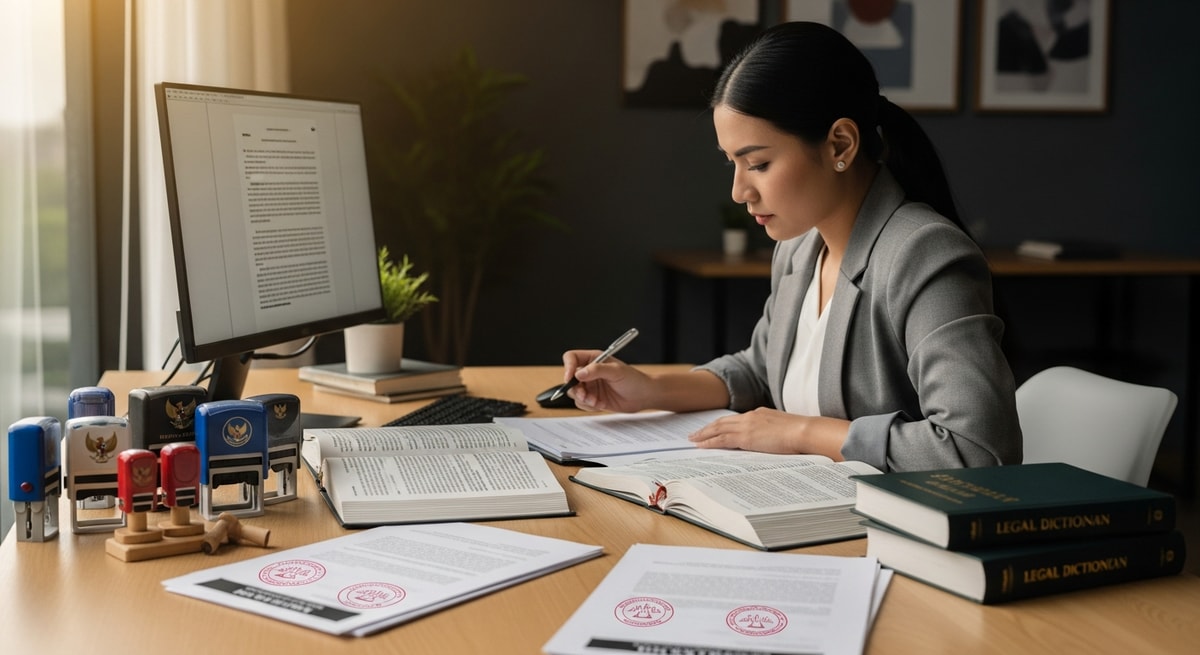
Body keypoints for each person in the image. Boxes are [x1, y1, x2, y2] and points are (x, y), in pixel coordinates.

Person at [560, 21, 1022, 473]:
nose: (740, 191)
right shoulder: (802, 246)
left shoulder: (923, 254)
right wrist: (650, 391)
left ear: (840, 143)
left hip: (890, 535)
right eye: (732, 163)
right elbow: (762, 370)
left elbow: (978, 448)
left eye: (758, 163)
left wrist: (802, 433)